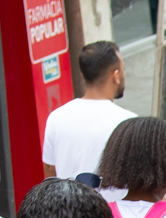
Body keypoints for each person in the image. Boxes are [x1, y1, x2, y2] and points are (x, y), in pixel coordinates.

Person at [42, 41, 135, 182]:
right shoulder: (129, 123)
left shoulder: (56, 118)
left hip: (67, 197)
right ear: (115, 75)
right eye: (123, 69)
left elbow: (50, 174)